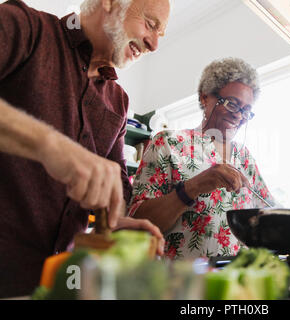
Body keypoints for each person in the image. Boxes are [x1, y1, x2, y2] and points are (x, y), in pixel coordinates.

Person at [0, 0, 170, 298]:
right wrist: (50, 144)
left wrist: (116, 223)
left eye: (161, 35)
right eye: (150, 24)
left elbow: (116, 185)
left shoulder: (119, 101)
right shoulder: (25, 27)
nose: (154, 45)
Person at [129, 57, 276, 259]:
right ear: (204, 98)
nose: (239, 116)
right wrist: (194, 187)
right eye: (232, 104)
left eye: (246, 110)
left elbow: (270, 216)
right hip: (179, 284)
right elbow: (137, 225)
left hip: (235, 284)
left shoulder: (245, 158)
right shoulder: (169, 143)